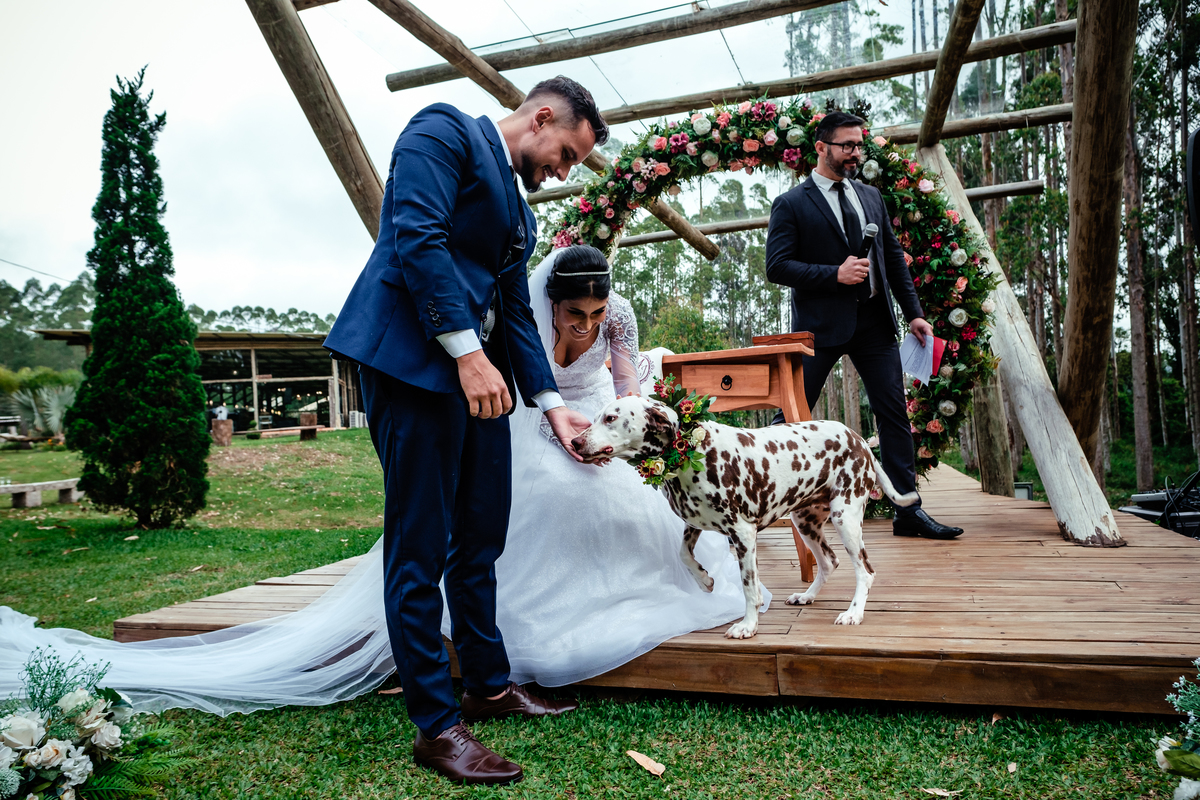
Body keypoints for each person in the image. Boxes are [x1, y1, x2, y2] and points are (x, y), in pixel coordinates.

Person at [320, 76, 606, 785]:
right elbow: (415, 238)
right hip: (411, 365)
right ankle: (437, 725)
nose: (564, 172)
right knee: (418, 544)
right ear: (541, 117)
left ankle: (487, 681)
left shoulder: (521, 214)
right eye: (566, 152)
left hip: (480, 380)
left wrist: (551, 402)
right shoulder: (441, 130)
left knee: (482, 532)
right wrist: (469, 357)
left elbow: (512, 311)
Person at [482, 245, 766, 687]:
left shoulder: (619, 315)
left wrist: (622, 435)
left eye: (597, 313)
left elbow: (625, 385)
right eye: (575, 312)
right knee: (561, 489)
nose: (586, 324)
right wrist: (561, 435)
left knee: (633, 490)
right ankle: (565, 608)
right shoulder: (526, 317)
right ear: (552, 301)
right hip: (536, 410)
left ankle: (649, 589)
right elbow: (521, 390)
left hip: (602, 408)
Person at [764, 110, 963, 541]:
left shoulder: (871, 195)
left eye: (860, 144)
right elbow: (776, 267)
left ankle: (908, 512)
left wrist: (914, 313)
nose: (857, 152)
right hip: (818, 329)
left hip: (875, 324)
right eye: (847, 145)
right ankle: (762, 501)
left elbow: (892, 258)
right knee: (791, 416)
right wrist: (833, 274)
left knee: (893, 416)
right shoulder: (791, 203)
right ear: (821, 148)